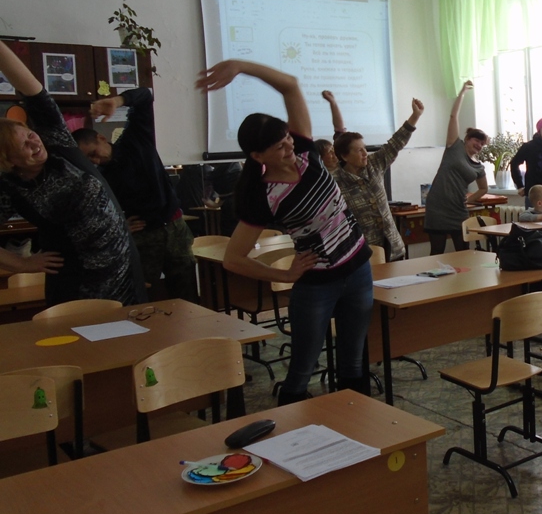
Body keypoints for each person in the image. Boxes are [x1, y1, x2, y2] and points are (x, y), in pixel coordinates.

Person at [196, 60, 373, 406]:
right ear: (257, 155)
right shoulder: (262, 195)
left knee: (353, 362)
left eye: (287, 138)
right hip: (317, 285)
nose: (289, 147)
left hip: (358, 270)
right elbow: (233, 259)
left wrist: (241, 66)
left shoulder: (305, 151)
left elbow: (290, 84)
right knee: (302, 370)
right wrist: (284, 275)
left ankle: (355, 426)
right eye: (279, 146)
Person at [0, 40, 146, 306]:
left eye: (30, 135)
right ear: (9, 161)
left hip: (124, 273)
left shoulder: (56, 142)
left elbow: (32, 89)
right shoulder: (10, 188)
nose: (35, 143)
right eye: (23, 146)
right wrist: (23, 264)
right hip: (77, 287)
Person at [73, 88, 199, 302]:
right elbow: (95, 217)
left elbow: (146, 97)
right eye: (88, 160)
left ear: (101, 138)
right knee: (142, 296)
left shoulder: (136, 139)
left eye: (93, 153)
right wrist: (121, 225)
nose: (94, 161)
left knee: (186, 292)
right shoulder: (99, 178)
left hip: (175, 227)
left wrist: (117, 101)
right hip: (143, 236)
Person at [323, 89, 424, 261]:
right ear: (345, 156)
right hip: (363, 252)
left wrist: (415, 116)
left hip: (393, 248)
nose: (365, 154)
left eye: (365, 148)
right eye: (359, 151)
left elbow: (395, 143)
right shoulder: (335, 182)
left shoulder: (373, 164)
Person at [424, 80, 488, 255]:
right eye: (476, 140)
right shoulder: (454, 146)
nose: (479, 145)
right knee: (437, 251)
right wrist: (462, 93)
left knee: (463, 251)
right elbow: (453, 116)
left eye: (482, 144)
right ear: (467, 139)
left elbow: (484, 188)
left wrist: (470, 199)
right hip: (437, 206)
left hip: (458, 210)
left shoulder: (479, 167)